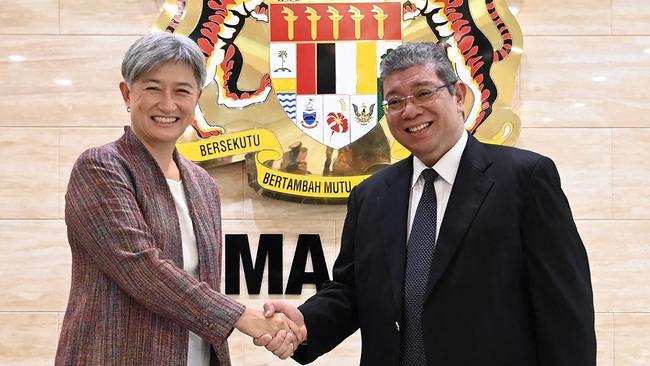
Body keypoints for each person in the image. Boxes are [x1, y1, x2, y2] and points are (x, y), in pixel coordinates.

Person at [257, 42, 596, 365]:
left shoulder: (525, 179)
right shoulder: (371, 195)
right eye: (394, 101)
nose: (410, 110)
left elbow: (564, 309)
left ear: (459, 95)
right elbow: (352, 290)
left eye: (423, 92)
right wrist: (306, 323)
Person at [55, 32, 300, 365]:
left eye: (182, 91)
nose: (168, 104)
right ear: (127, 94)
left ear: (197, 97)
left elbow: (201, 286)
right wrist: (245, 317)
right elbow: (141, 268)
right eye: (153, 88)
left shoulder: (203, 185)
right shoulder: (101, 166)